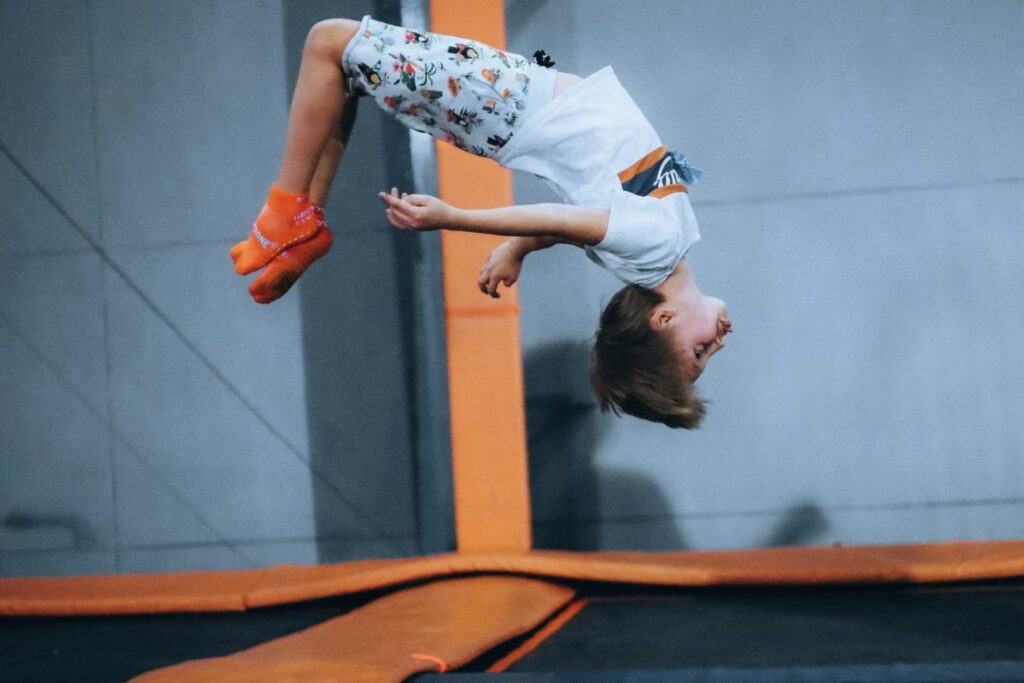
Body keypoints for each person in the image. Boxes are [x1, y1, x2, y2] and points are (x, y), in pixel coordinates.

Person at [230, 15, 730, 428]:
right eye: (707, 353)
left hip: (509, 105)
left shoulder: (657, 246)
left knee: (329, 41)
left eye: (701, 350)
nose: (720, 341)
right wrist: (517, 250)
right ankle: (306, 221)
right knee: (349, 71)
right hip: (512, 110)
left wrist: (455, 216)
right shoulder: (660, 254)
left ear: (663, 320)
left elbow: (559, 217)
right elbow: (567, 225)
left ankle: (286, 209)